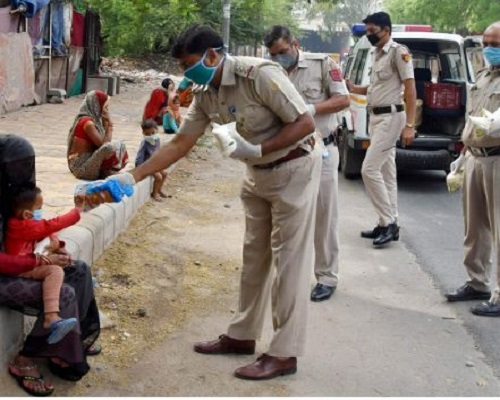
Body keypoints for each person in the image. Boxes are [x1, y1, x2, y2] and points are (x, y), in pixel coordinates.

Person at [110, 24, 321, 380]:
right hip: (256, 175)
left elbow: (305, 122)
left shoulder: (259, 75)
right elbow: (180, 144)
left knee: (289, 264)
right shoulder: (206, 92)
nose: (187, 74)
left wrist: (259, 148)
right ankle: (242, 336)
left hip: (293, 168)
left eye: (191, 65)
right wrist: (133, 176)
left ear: (213, 54)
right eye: (182, 69)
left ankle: (284, 354)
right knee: (254, 258)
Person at [0, 134, 100, 396]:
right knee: (63, 292)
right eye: (15, 168)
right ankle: (24, 360)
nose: (22, 175)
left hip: (24, 262)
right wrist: (38, 260)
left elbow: (38, 228)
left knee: (78, 270)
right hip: (4, 272)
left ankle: (73, 339)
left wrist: (56, 246)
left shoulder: (17, 194)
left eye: (26, 166)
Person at [265, 25, 350, 302]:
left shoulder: (323, 64)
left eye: (283, 51)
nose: (280, 58)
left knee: (325, 216)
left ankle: (326, 276)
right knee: (289, 216)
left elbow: (343, 99)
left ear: (295, 44)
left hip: (322, 149)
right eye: (274, 54)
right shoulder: (270, 71)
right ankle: (290, 276)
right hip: (288, 154)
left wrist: (311, 109)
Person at [346, 11, 416, 247]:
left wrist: (409, 126)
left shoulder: (399, 52)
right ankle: (386, 221)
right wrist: (355, 88)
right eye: (367, 32)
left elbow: (410, 89)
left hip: (392, 118)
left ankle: (389, 223)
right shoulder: (377, 54)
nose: (369, 36)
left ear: (386, 30)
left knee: (369, 169)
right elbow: (377, 88)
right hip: (376, 118)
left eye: (372, 31)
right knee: (387, 174)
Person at [444, 22, 500, 316]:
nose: (490, 50)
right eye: (486, 43)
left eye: (497, 45)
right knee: (474, 226)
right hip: (476, 157)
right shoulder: (483, 76)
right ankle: (477, 282)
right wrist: (464, 153)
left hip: (498, 159)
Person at [5, 185, 83, 344]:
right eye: (39, 208)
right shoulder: (19, 226)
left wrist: (56, 244)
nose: (41, 212)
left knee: (64, 263)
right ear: (27, 213)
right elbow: (50, 225)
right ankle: (51, 318)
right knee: (55, 271)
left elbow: (45, 229)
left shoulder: (25, 222)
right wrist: (77, 211)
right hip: (20, 268)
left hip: (30, 262)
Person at [67, 90, 129, 180]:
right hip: (81, 167)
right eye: (105, 107)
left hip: (90, 160)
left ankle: (109, 170)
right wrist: (109, 124)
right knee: (108, 147)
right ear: (97, 106)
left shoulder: (94, 120)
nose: (106, 111)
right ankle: (107, 172)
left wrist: (106, 124)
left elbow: (105, 142)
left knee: (120, 144)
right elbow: (103, 146)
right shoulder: (87, 123)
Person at [135, 119, 168, 201]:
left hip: (155, 163)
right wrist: (139, 167)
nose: (150, 135)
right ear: (143, 133)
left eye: (153, 133)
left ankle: (159, 189)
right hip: (146, 165)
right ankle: (155, 193)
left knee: (165, 174)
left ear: (157, 130)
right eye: (147, 134)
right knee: (159, 177)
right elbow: (139, 156)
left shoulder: (157, 140)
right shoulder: (145, 143)